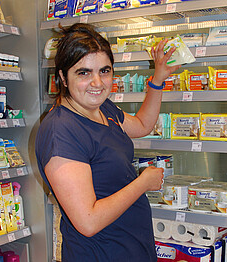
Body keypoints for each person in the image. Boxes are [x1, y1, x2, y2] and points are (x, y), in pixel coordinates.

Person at [35, 23, 181, 262]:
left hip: (131, 247)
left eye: (104, 71)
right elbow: (88, 222)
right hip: (100, 254)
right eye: (84, 73)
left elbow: (143, 125)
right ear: (62, 76)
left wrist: (158, 79)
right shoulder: (60, 132)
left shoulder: (102, 107)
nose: (97, 83)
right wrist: (142, 182)